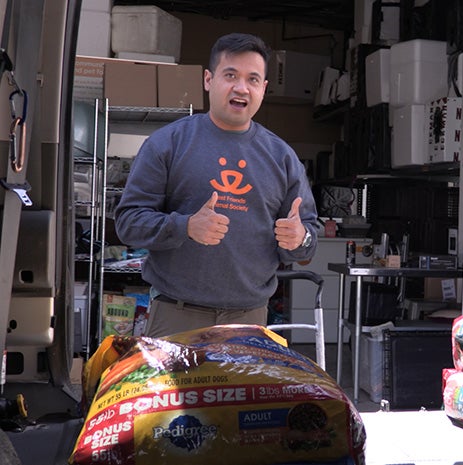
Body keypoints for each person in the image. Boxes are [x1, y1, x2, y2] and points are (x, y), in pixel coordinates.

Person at [114, 32, 318, 337]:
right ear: (209, 80)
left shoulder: (282, 158)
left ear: (263, 88)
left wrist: (298, 238)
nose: (241, 87)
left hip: (250, 320)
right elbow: (128, 224)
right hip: (175, 315)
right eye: (230, 75)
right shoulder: (168, 144)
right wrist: (185, 226)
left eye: (252, 79)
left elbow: (308, 243)